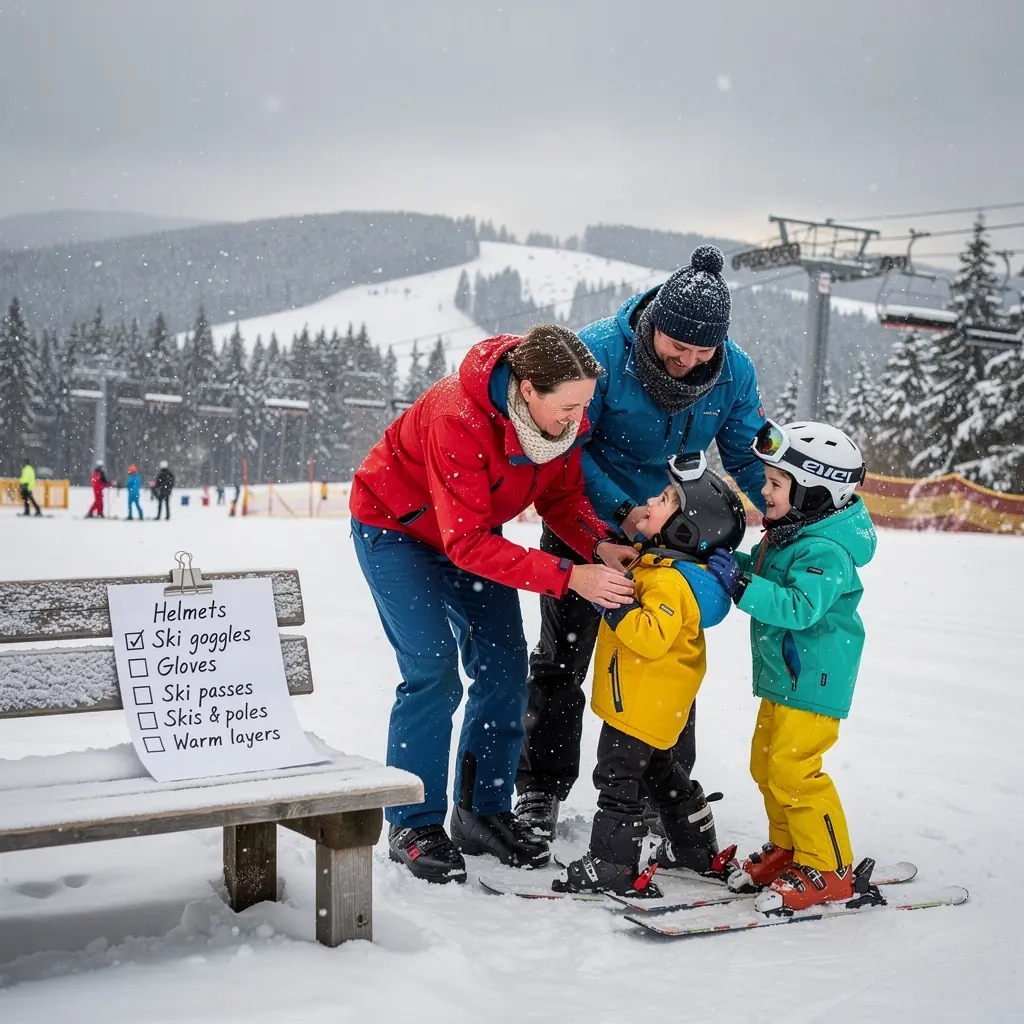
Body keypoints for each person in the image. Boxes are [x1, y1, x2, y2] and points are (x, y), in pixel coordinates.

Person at [349, 325, 638, 884]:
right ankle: (413, 822)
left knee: (505, 667)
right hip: (397, 530)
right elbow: (465, 544)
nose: (578, 419)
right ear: (527, 390)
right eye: (568, 406)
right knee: (432, 671)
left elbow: (562, 496)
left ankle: (481, 810)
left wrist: (598, 545)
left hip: (471, 532)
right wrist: (569, 576)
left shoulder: (563, 422)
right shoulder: (457, 416)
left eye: (584, 405)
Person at [515, 246, 768, 850]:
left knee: (667, 664)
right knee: (563, 659)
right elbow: (567, 449)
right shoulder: (600, 353)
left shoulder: (733, 372)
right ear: (654, 325)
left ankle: (665, 794)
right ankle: (540, 788)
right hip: (586, 518)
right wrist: (618, 513)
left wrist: (793, 511)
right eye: (676, 347)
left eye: (702, 352)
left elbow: (745, 453)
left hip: (675, 536)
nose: (688, 362)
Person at [554, 453, 747, 896]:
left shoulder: (670, 582)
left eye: (663, 501)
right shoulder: (667, 569)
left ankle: (612, 863)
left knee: (617, 777)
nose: (649, 502)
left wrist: (613, 604)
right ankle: (695, 847)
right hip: (655, 700)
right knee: (659, 772)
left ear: (685, 530)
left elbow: (651, 635)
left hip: (639, 701)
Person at [706, 419, 876, 913]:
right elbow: (767, 574)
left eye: (776, 484)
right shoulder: (789, 535)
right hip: (786, 677)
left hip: (814, 681)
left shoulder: (826, 550)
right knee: (767, 765)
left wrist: (742, 587)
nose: (764, 491)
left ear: (814, 493)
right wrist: (731, 564)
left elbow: (800, 607)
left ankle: (830, 868)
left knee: (794, 771)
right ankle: (790, 848)